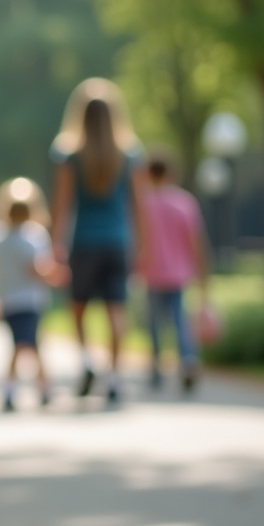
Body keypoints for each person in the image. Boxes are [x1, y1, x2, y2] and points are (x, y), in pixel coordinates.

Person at [49, 77, 147, 405]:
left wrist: (54, 245)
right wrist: (143, 245)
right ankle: (116, 376)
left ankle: (88, 362)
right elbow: (138, 204)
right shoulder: (130, 153)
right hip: (118, 241)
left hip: (84, 242)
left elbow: (61, 205)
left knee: (77, 308)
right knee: (116, 309)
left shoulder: (68, 154)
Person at [0, 178, 63, 411]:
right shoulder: (24, 239)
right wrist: (54, 275)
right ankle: (22, 389)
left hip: (10, 299)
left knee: (27, 343)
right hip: (29, 300)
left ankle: (35, 388)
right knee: (27, 344)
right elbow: (36, 268)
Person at [140, 151, 209, 392]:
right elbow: (196, 241)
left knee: (154, 323)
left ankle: (157, 366)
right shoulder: (184, 202)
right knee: (180, 321)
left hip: (150, 272)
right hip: (179, 273)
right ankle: (188, 361)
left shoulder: (141, 204)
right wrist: (202, 274)